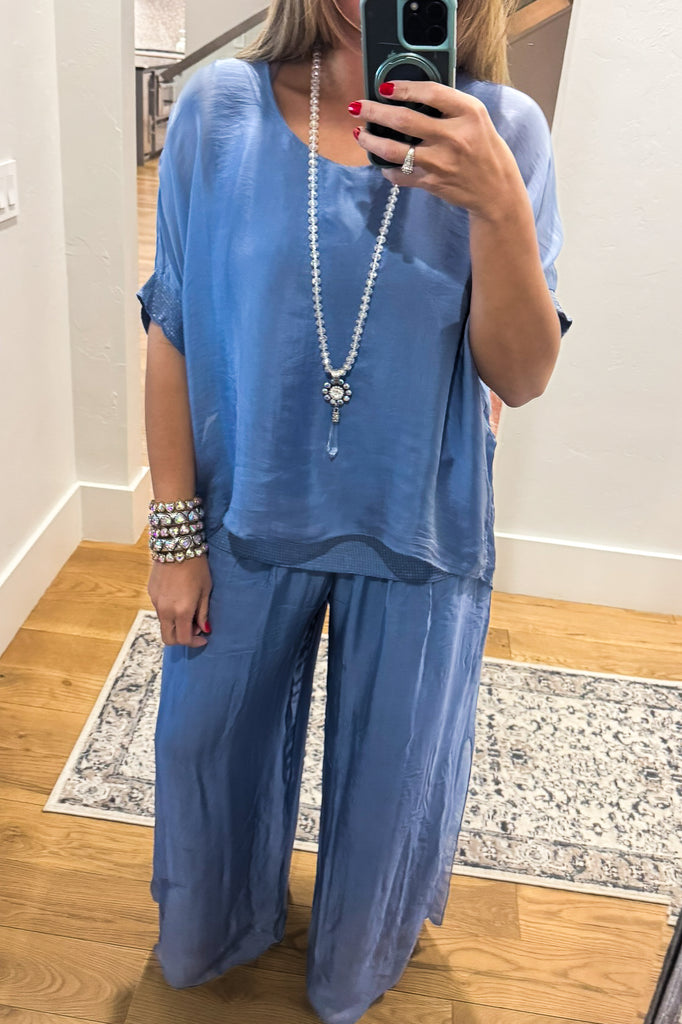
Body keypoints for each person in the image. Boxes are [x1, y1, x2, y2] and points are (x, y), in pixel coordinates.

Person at [137, 0, 572, 1020]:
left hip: (421, 527)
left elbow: (520, 374)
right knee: (202, 751)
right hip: (245, 517)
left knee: (389, 788)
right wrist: (174, 537)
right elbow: (173, 330)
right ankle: (215, 929)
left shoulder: (504, 133)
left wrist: (496, 204)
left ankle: (352, 966)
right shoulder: (217, 113)